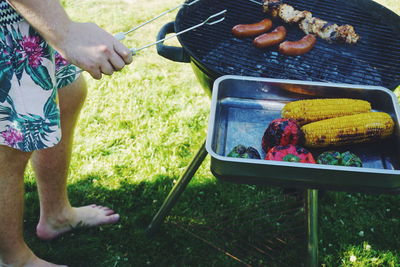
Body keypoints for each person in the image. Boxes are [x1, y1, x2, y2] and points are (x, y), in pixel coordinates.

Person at [0, 0, 133, 265]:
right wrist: (65, 32)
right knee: (10, 145)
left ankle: (56, 214)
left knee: (68, 92)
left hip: (30, 14)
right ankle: (13, 259)